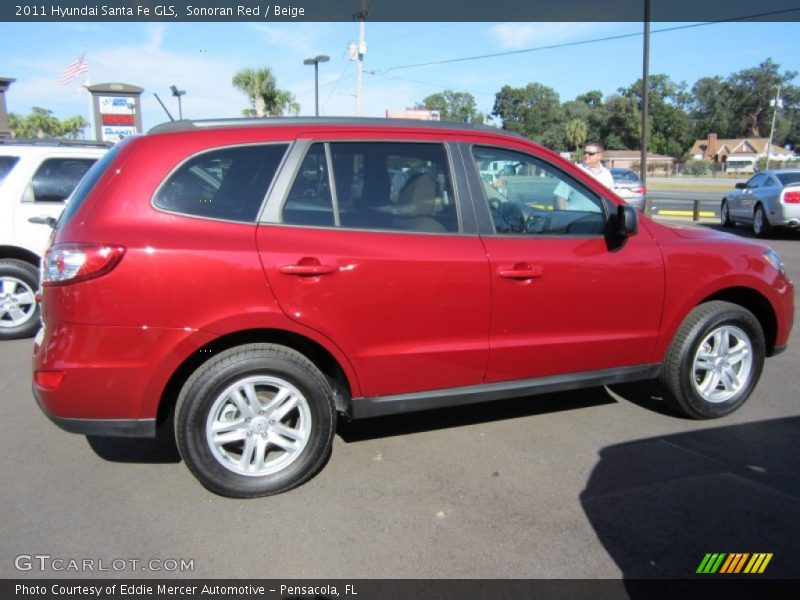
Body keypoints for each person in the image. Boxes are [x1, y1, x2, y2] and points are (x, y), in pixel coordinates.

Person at [554, 142, 614, 210]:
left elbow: (611, 201)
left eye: (590, 154)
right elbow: (560, 195)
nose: (586, 155)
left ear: (600, 155)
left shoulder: (607, 175)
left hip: (598, 219)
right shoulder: (575, 170)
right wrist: (563, 215)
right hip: (576, 218)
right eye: (585, 153)